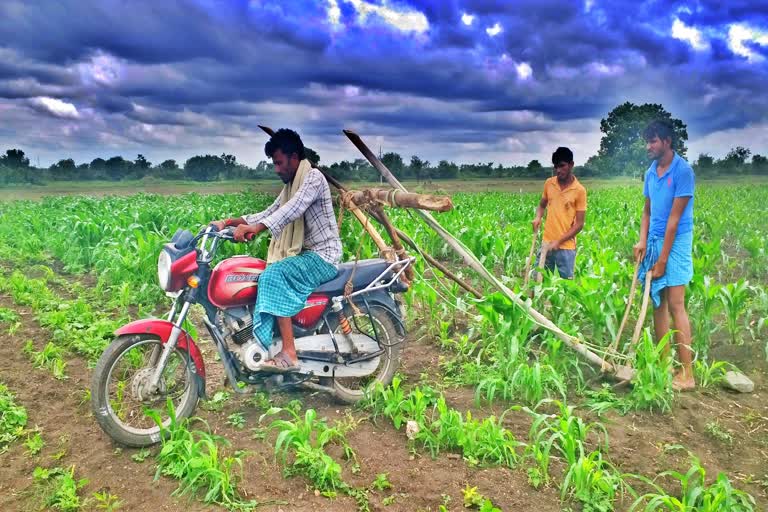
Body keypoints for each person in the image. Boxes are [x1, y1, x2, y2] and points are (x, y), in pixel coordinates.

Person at [211, 129, 341, 372]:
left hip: (324, 255)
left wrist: (257, 228)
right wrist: (228, 223)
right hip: (307, 255)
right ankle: (265, 343)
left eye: (279, 163)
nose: (276, 169)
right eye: (274, 163)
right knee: (260, 272)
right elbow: (271, 211)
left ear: (294, 157)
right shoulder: (291, 185)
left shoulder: (313, 178)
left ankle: (289, 352)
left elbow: (293, 209)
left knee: (274, 275)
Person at [633, 119, 696, 391]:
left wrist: (661, 261)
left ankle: (687, 374)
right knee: (657, 302)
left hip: (677, 241)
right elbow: (647, 211)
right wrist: (642, 240)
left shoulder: (683, 172)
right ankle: (663, 366)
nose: (648, 146)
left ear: (667, 142)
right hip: (656, 240)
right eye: (647, 141)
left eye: (653, 141)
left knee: (676, 303)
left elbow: (673, 221)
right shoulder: (650, 172)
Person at [531, 147, 587, 280]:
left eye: (562, 166)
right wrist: (538, 217)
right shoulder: (549, 184)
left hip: (566, 248)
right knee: (536, 282)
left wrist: (558, 241)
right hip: (546, 243)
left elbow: (579, 224)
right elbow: (541, 205)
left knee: (564, 289)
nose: (558, 170)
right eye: (556, 167)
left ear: (571, 165)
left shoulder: (579, 190)